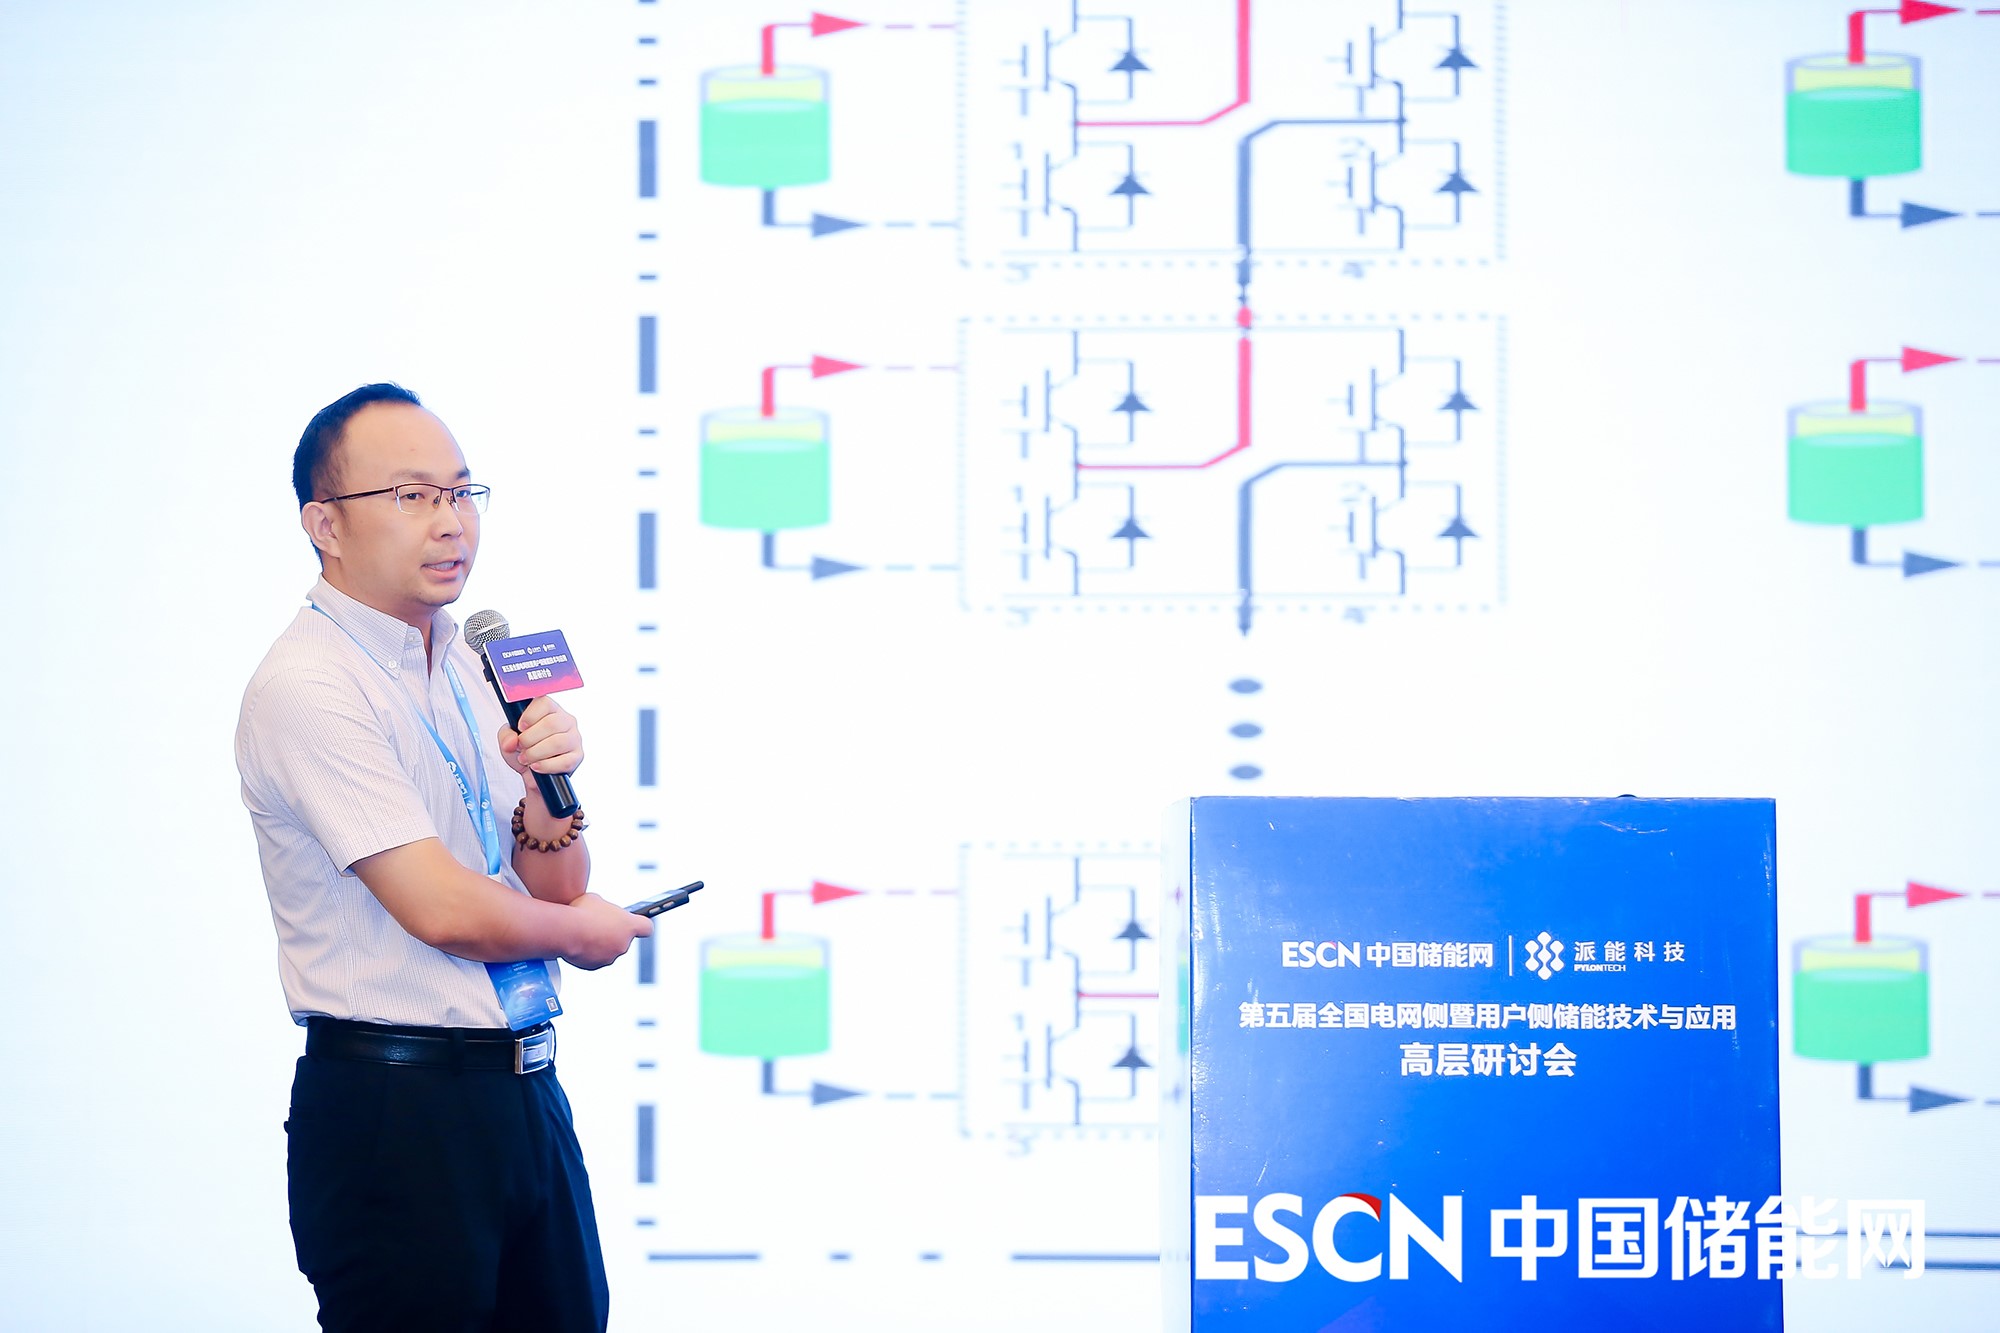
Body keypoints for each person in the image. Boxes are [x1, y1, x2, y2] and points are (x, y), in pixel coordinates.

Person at [235, 383, 651, 1332]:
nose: (452, 521)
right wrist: (579, 935)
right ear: (325, 525)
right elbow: (444, 910)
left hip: (524, 1091)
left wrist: (546, 784)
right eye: (413, 495)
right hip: (397, 1107)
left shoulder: (473, 659)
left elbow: (554, 881)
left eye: (463, 492)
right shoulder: (308, 684)